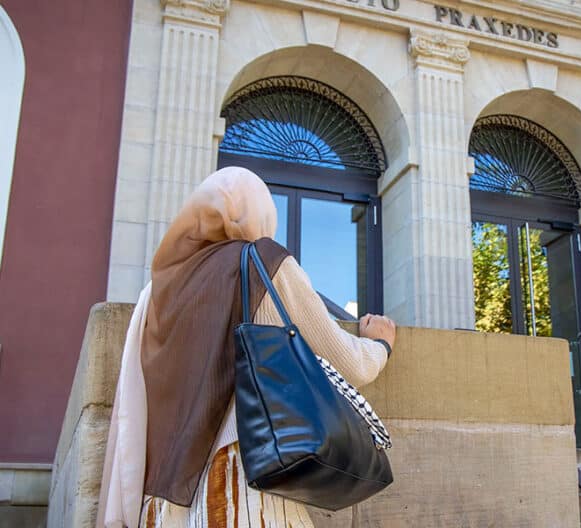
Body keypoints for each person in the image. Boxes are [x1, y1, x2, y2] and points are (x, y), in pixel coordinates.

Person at [96, 167, 396, 528]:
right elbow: (349, 364)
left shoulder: (156, 294)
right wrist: (380, 343)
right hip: (237, 488)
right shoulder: (262, 262)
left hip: (163, 500)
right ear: (262, 213)